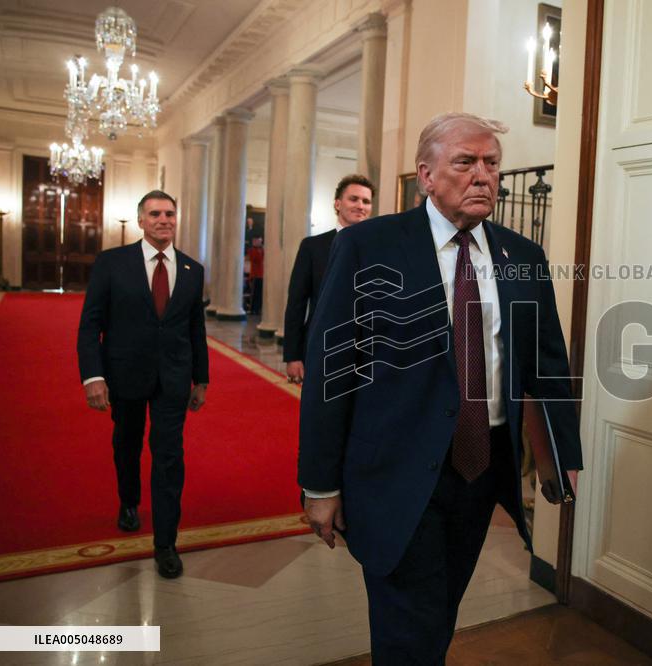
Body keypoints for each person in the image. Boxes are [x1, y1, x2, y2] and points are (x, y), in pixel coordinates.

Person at [298, 113, 582, 663]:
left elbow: (547, 362)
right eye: (465, 162)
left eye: (492, 164)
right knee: (409, 628)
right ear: (426, 175)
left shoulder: (522, 257)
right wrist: (319, 483)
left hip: (479, 472)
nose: (483, 176)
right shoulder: (367, 247)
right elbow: (332, 370)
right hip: (396, 473)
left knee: (438, 614)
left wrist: (561, 451)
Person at [77, 190, 209, 579]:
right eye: (155, 214)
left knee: (169, 456)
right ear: (141, 220)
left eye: (170, 213)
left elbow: (195, 329)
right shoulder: (111, 264)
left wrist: (201, 377)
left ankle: (166, 542)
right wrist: (93, 376)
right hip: (124, 375)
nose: (164, 220)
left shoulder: (191, 270)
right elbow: (90, 325)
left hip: (173, 379)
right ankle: (129, 501)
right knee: (127, 443)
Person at [283, 174, 375, 384]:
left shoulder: (381, 248)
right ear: (337, 203)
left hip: (368, 352)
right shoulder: (312, 247)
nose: (360, 205)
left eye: (366, 201)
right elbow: (296, 303)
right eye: (354, 199)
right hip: (321, 347)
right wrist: (293, 355)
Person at [247, 236, 264, 315]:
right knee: (254, 293)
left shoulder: (262, 250)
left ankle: (259, 308)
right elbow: (255, 259)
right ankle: (252, 309)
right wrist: (259, 251)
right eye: (257, 241)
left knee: (260, 293)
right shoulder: (251, 250)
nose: (259, 242)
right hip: (255, 275)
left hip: (261, 275)